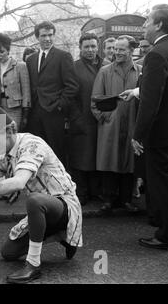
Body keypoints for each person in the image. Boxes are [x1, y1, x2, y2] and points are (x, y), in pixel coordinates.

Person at [0, 107, 82, 283]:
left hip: (63, 204)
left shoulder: (32, 145)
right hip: (42, 210)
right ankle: (60, 235)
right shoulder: (5, 151)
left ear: (9, 131)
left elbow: (18, 182)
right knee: (8, 253)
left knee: (34, 201)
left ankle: (33, 265)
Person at [132, 5, 168, 251]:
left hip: (162, 134)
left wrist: (138, 135)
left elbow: (150, 103)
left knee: (164, 185)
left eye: (148, 20)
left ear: (159, 24)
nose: (144, 25)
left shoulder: (158, 53)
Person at [91, 35, 141, 214]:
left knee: (130, 163)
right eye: (115, 49)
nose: (116, 52)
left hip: (133, 124)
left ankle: (126, 200)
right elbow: (95, 100)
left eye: (121, 49)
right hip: (110, 125)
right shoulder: (105, 71)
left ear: (131, 50)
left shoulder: (140, 71)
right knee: (108, 161)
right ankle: (108, 200)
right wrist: (105, 118)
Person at [25, 21, 79, 165]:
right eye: (44, 35)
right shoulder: (30, 60)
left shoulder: (63, 56)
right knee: (35, 154)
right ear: (37, 37)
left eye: (50, 35)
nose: (47, 39)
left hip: (54, 114)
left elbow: (72, 86)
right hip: (34, 115)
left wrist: (59, 106)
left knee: (55, 153)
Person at [69, 33, 109, 206]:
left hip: (104, 118)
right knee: (81, 157)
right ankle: (82, 192)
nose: (90, 50)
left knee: (98, 155)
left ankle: (96, 191)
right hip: (82, 117)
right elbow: (69, 95)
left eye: (93, 46)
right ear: (80, 48)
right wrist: (76, 117)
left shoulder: (107, 65)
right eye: (87, 47)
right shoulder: (74, 67)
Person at [0, 33, 31, 131]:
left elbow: (26, 91)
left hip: (15, 108)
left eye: (1, 51)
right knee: (2, 137)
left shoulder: (20, 66)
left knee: (14, 134)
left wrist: (26, 113)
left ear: (8, 50)